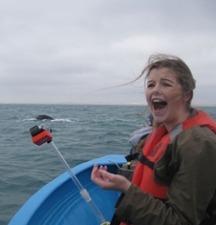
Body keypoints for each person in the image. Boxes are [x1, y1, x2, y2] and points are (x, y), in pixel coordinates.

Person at [91, 54, 216, 225]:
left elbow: (180, 221)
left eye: (166, 84)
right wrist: (121, 182)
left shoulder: (197, 144)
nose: (155, 89)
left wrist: (126, 189)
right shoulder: (165, 132)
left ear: (186, 94)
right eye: (151, 84)